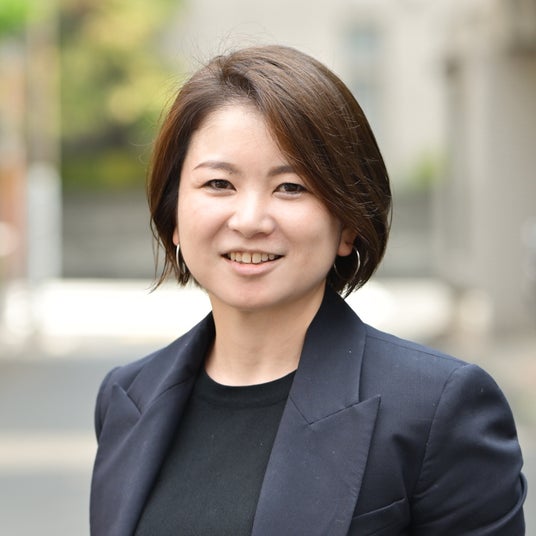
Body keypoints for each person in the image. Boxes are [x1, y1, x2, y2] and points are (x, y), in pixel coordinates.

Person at [89, 45, 526, 535]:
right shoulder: (128, 397)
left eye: (291, 187)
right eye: (218, 184)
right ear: (173, 215)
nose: (250, 220)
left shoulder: (437, 410)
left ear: (348, 224)